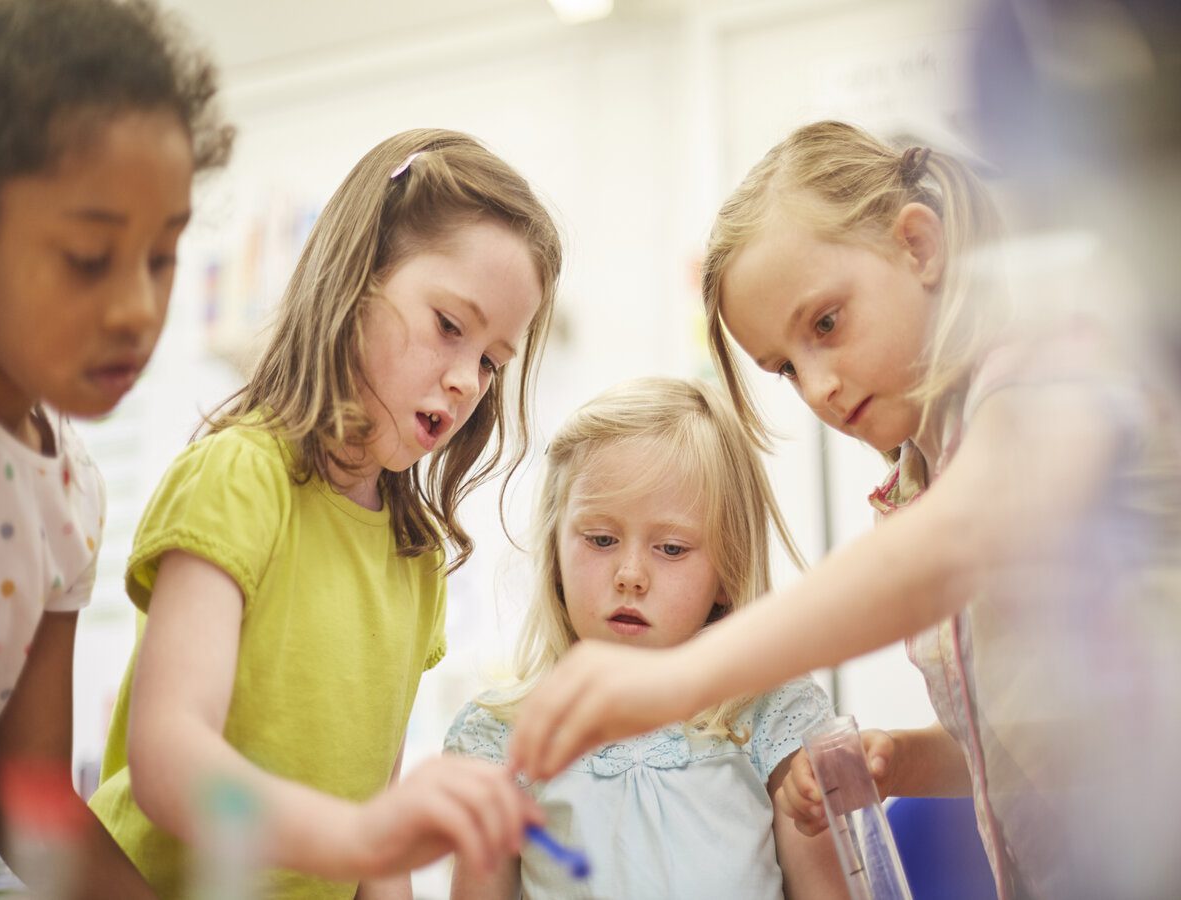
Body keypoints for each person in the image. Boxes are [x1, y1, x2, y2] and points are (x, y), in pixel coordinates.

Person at [508, 121, 1181, 898]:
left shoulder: (1048, 359)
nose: (820, 385)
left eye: (826, 324)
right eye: (786, 368)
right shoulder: (919, 481)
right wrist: (907, 755)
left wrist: (681, 679)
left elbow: (956, 543)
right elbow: (1054, 746)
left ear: (918, 247)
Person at [86, 129, 562, 899]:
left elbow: (376, 829)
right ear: (355, 279)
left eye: (491, 361)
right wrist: (358, 835)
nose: (468, 380)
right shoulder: (239, 478)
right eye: (449, 326)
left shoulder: (415, 560)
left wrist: (374, 843)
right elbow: (171, 763)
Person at [0, 0, 233, 895]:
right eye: (90, 257)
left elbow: (32, 792)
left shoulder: (67, 490)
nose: (137, 307)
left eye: (161, 257)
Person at [445, 377, 846, 900]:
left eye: (672, 548)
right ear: (556, 552)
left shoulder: (773, 717)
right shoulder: (501, 739)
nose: (630, 575)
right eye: (602, 539)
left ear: (729, 570)